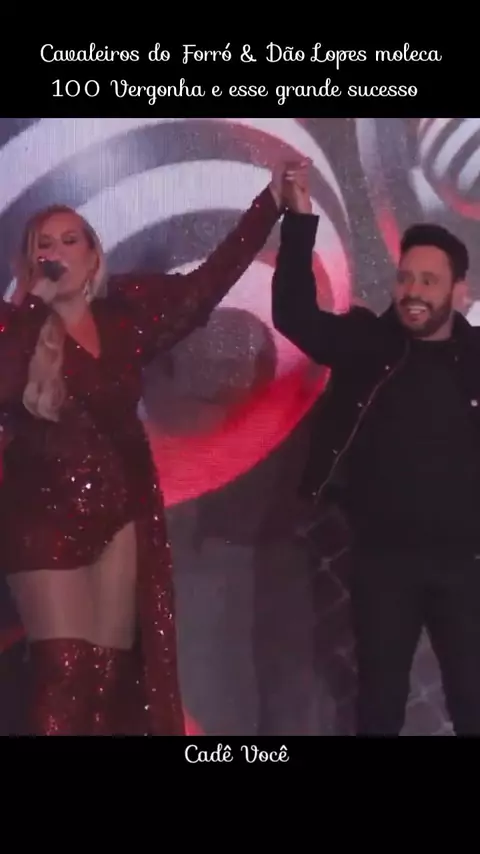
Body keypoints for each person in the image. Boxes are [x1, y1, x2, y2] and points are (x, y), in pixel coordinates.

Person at [0, 163, 299, 736]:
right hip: (43, 518)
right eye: (45, 245)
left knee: (108, 678)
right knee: (64, 672)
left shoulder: (125, 315)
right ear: (30, 261)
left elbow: (207, 283)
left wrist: (271, 203)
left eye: (70, 241)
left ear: (93, 256)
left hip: (121, 510)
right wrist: (35, 301)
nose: (57, 253)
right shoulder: (14, 327)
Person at [272, 166, 480, 736]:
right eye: (406, 278)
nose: (413, 292)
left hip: (467, 564)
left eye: (429, 281)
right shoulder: (368, 343)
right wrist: (299, 220)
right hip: (383, 561)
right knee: (380, 702)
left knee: (473, 700)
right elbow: (293, 314)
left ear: (459, 292)